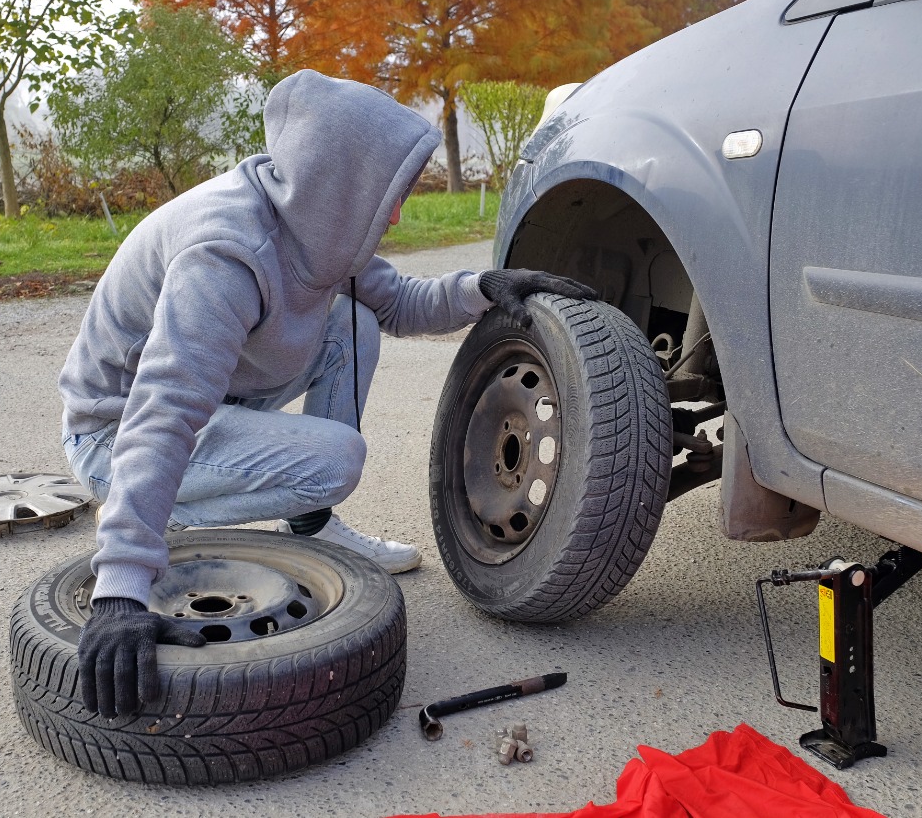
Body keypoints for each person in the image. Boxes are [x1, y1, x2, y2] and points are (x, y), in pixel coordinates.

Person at [58, 70, 595, 719]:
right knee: (336, 458)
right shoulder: (225, 251)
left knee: (358, 324)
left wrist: (487, 286)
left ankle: (310, 523)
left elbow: (398, 302)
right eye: (389, 191)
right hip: (115, 433)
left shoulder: (319, 224)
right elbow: (165, 408)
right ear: (341, 182)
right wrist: (121, 582)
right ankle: (142, 509)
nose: (396, 211)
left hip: (218, 402)